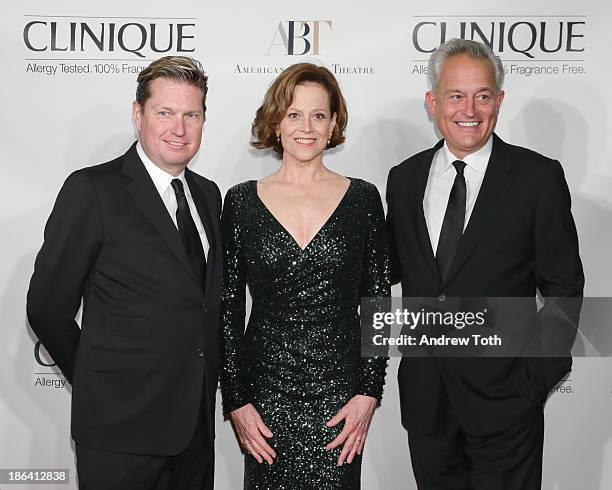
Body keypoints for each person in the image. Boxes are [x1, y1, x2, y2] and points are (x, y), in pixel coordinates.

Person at [386, 39, 584, 489]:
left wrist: (535, 380)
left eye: (482, 95)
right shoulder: (405, 178)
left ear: (499, 100)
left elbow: (564, 287)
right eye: (456, 96)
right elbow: (391, 269)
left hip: (508, 404)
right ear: (433, 102)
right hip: (428, 404)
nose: (469, 109)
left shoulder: (538, 177)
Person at [27, 56, 221, 490]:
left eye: (192, 114)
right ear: (139, 115)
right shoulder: (93, 189)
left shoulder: (208, 195)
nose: (180, 128)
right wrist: (101, 384)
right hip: (120, 434)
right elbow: (46, 308)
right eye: (165, 112)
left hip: (194, 433)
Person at [220, 62, 389, 488]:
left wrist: (369, 393)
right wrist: (237, 400)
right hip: (266, 392)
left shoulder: (363, 199)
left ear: (334, 124)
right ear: (276, 122)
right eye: (294, 114)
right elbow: (228, 309)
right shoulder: (240, 202)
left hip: (341, 394)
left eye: (318, 115)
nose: (306, 127)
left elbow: (378, 302)